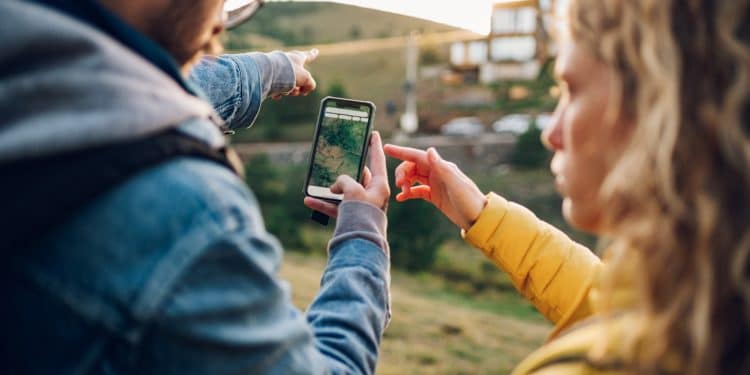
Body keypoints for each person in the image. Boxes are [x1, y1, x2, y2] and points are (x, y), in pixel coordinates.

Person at [0, 0, 392, 374]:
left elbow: (119, 89)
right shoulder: (189, 219)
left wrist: (271, 70)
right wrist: (363, 233)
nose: (220, 24)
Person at [383, 0, 750, 373]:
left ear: (659, 106)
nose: (550, 133)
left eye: (571, 90)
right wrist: (482, 215)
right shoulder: (707, 306)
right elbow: (604, 304)